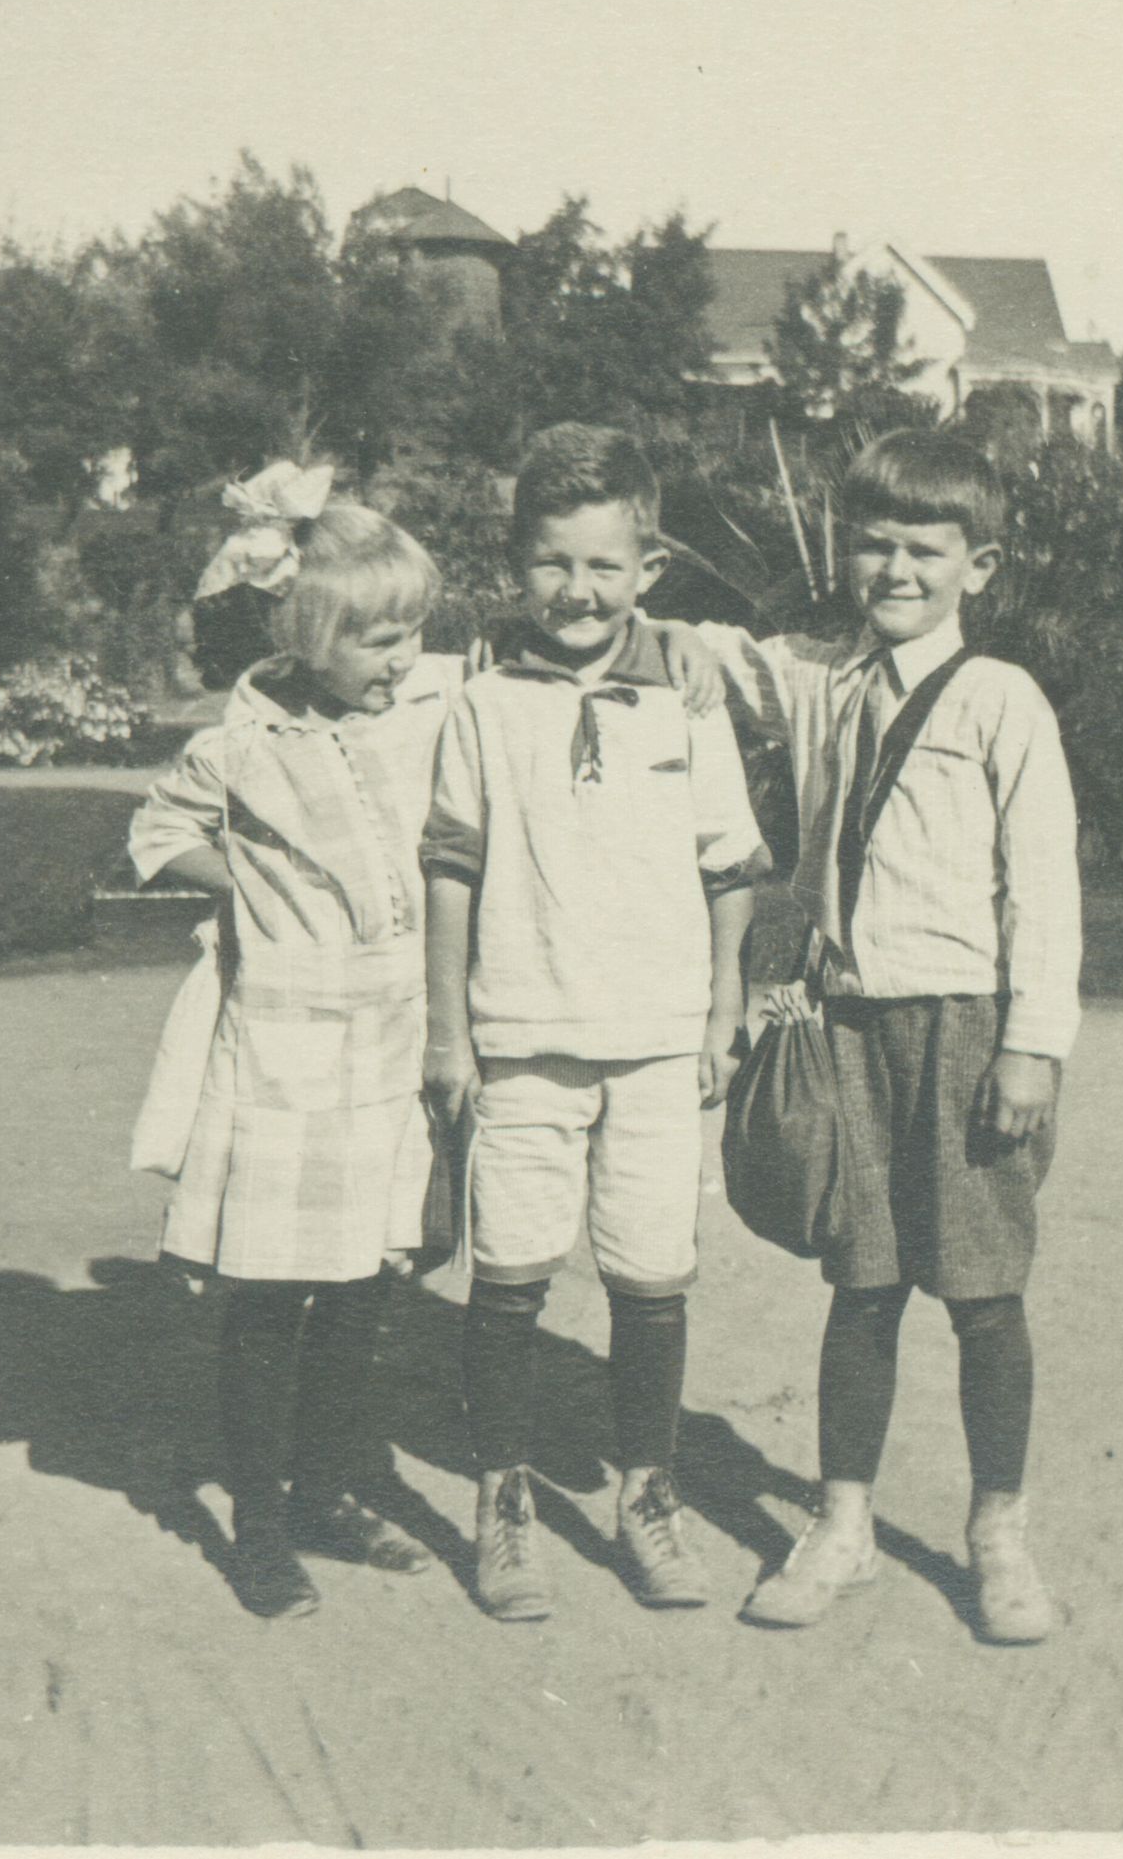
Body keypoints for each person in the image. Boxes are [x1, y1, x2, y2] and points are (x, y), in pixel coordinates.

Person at [128, 462, 721, 1621]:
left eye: (412, 632)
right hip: (289, 1048)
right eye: (377, 640)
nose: (403, 657)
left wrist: (677, 637)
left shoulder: (442, 696)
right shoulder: (246, 740)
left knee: (367, 1279)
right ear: (304, 634)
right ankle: (257, 1528)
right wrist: (256, 893)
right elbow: (158, 834)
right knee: (271, 1292)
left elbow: (577, 643)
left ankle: (328, 1490)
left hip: (402, 1037)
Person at [696, 427, 1081, 1642]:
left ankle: (999, 1536)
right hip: (846, 1026)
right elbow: (705, 658)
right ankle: (843, 1524)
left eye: (927, 549)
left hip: (968, 1033)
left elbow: (1045, 887)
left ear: (982, 566)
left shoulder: (1002, 700)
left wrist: (1033, 1044)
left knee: (982, 1292)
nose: (897, 569)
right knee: (861, 1284)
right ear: (846, 552)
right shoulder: (820, 677)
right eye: (875, 544)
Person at [422, 424, 769, 1623]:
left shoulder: (688, 698)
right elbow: (451, 866)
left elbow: (730, 864)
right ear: (517, 564)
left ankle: (647, 1498)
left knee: (650, 1276)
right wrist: (448, 1030)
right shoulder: (480, 702)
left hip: (661, 1040)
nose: (578, 590)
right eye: (553, 563)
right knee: (510, 1276)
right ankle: (503, 1500)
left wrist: (724, 1006)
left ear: (648, 569)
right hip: (523, 1036)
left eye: (605, 566)